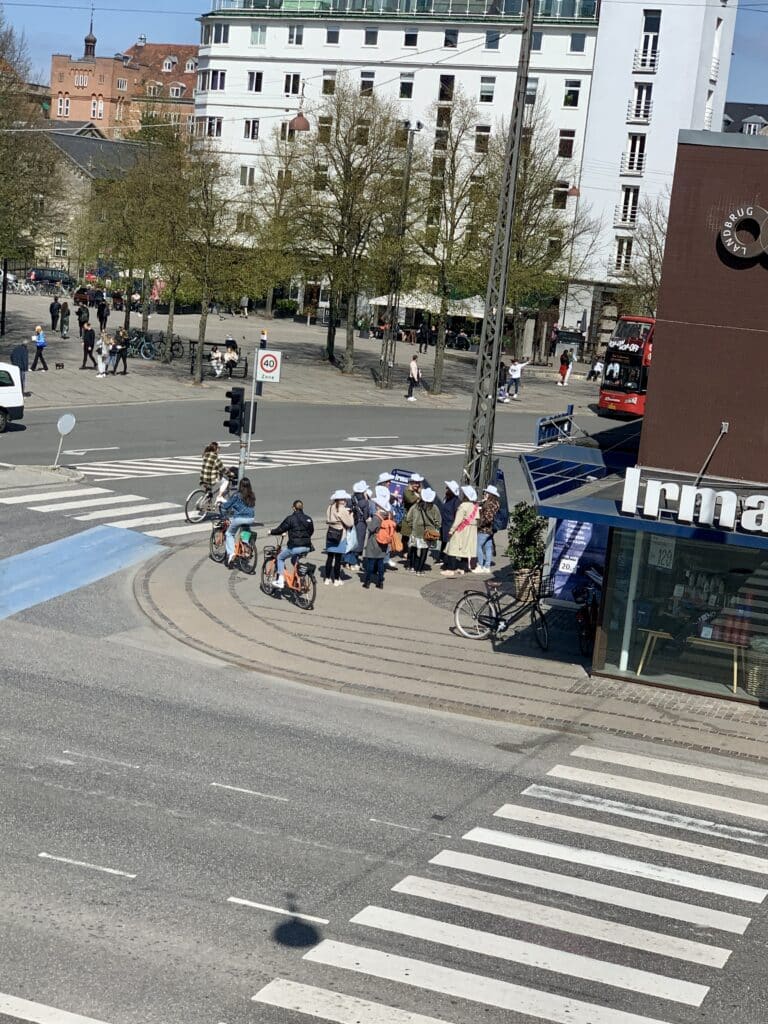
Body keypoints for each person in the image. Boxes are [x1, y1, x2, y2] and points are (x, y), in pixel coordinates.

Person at [270, 499, 315, 589]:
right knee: (294, 559)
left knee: (280, 558)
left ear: (293, 508)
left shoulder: (290, 519)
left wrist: (271, 531)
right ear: (302, 507)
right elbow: (311, 531)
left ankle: (280, 581)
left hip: (295, 547)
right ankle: (300, 578)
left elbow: (280, 529)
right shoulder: (308, 518)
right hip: (307, 547)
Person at [441, 485, 479, 577]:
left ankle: (451, 569)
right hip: (471, 530)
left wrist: (451, 530)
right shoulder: (475, 506)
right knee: (466, 549)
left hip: (462, 529)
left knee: (452, 548)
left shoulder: (463, 505)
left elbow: (458, 520)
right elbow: (477, 519)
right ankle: (462, 568)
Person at [404, 486, 442, 575]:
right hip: (427, 533)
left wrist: (412, 526)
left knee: (413, 549)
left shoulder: (415, 506)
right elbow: (438, 521)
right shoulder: (434, 507)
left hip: (415, 532)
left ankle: (411, 566)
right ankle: (420, 570)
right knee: (424, 552)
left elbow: (408, 518)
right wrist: (435, 528)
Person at [220, 477, 256, 568]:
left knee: (229, 534)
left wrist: (223, 509)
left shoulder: (237, 495)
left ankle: (231, 553)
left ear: (240, 485)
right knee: (245, 530)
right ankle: (246, 547)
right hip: (251, 518)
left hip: (239, 518)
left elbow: (226, 506)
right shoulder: (251, 495)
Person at [362, 494, 394, 590]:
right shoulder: (388, 515)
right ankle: (380, 582)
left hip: (374, 542)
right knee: (380, 563)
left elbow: (371, 528)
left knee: (371, 563)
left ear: (379, 506)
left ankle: (367, 582)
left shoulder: (377, 516)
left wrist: (369, 522)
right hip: (383, 543)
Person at [324, 489, 354, 586]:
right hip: (340, 535)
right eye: (344, 499)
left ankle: (327, 578)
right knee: (337, 559)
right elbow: (350, 523)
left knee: (329, 557)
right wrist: (351, 515)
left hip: (330, 533)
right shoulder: (342, 509)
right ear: (340, 500)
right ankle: (336, 579)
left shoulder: (330, 507)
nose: (345, 500)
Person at [344, 480, 370, 571]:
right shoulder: (364, 502)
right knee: (358, 543)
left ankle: (347, 561)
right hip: (360, 524)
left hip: (351, 522)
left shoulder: (351, 498)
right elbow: (366, 515)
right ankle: (353, 562)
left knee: (350, 542)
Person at [475, 484, 501, 573]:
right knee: (488, 547)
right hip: (491, 530)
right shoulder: (495, 503)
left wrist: (480, 524)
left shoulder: (489, 504)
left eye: (486, 492)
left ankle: (480, 565)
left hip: (484, 529)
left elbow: (488, 517)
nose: (485, 493)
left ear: (490, 494)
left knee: (477, 546)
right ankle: (487, 566)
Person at [438, 480, 460, 559]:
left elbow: (457, 514)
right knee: (444, 541)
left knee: (449, 542)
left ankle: (447, 559)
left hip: (450, 524)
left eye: (448, 488)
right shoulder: (447, 498)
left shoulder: (456, 501)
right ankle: (442, 557)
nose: (446, 489)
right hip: (444, 524)